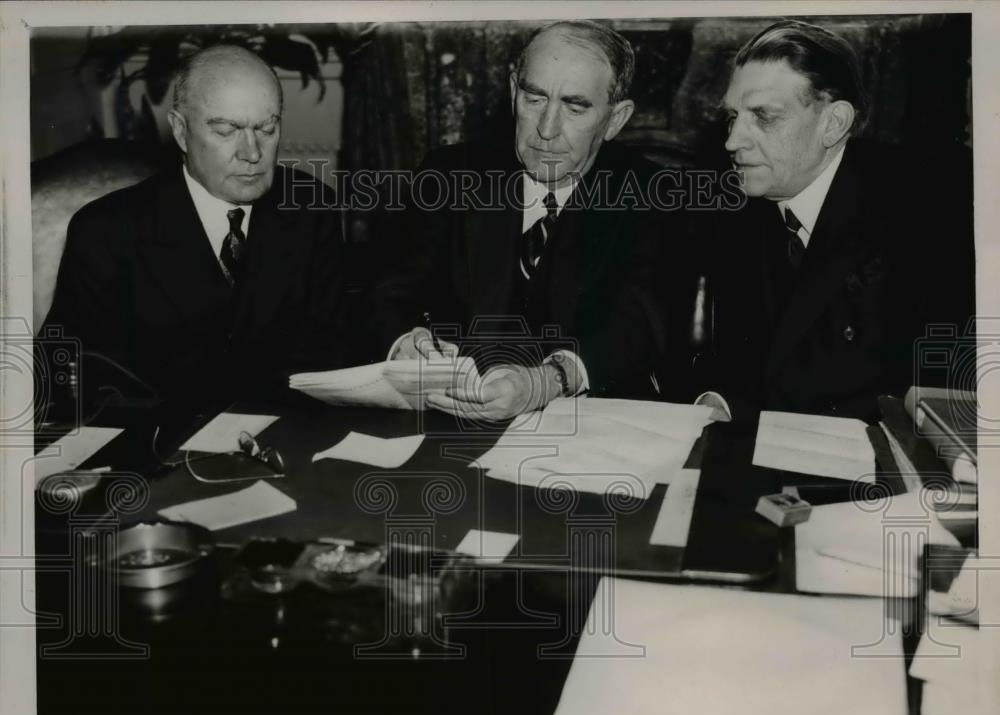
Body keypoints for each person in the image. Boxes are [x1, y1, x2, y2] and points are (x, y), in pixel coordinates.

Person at [369, 20, 682, 421]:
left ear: (616, 119)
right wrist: (406, 343)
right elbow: (387, 292)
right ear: (513, 90)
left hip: (586, 427)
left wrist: (545, 382)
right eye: (534, 99)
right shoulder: (449, 174)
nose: (546, 130)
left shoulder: (653, 194)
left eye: (574, 106)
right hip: (450, 420)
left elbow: (640, 326)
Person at [693, 19, 974, 423]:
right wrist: (721, 402)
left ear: (833, 123)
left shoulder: (929, 209)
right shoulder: (734, 209)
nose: (733, 140)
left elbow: (938, 387)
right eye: (733, 117)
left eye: (763, 116)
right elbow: (743, 365)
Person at [40, 44, 348, 410]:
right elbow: (72, 377)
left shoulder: (311, 206)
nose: (251, 153)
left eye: (267, 128)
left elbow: (330, 356)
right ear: (181, 131)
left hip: (285, 438)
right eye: (225, 130)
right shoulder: (106, 231)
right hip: (154, 449)